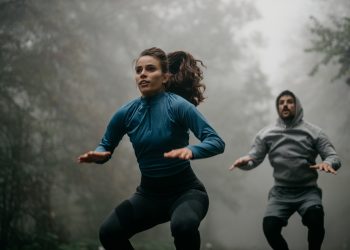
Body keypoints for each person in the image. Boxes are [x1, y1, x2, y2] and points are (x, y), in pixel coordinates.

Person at [78, 47, 225, 250]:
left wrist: (192, 150)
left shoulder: (179, 106)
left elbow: (216, 142)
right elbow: (106, 144)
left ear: (165, 77)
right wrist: (100, 153)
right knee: (109, 233)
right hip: (148, 196)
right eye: (138, 70)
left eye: (150, 69)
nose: (143, 74)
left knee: (183, 227)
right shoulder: (126, 113)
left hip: (186, 192)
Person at [230, 90, 341, 250]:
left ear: (297, 105)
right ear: (277, 108)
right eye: (281, 103)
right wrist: (244, 163)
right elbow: (253, 159)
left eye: (289, 101)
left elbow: (333, 156)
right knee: (270, 228)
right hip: (281, 193)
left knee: (316, 222)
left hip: (308, 191)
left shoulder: (315, 132)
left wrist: (329, 163)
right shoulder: (266, 134)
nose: (285, 105)